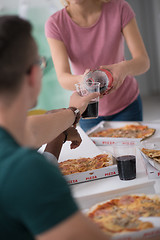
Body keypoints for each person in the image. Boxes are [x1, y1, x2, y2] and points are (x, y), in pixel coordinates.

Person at [0, 15, 113, 240]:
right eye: (40, 62)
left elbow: (30, 133)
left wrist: (70, 117)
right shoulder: (28, 171)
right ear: (33, 75)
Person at [45, 0, 150, 132]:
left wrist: (123, 68)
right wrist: (82, 81)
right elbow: (63, 78)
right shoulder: (55, 23)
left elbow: (143, 62)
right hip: (88, 110)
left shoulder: (119, 7)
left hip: (126, 105)